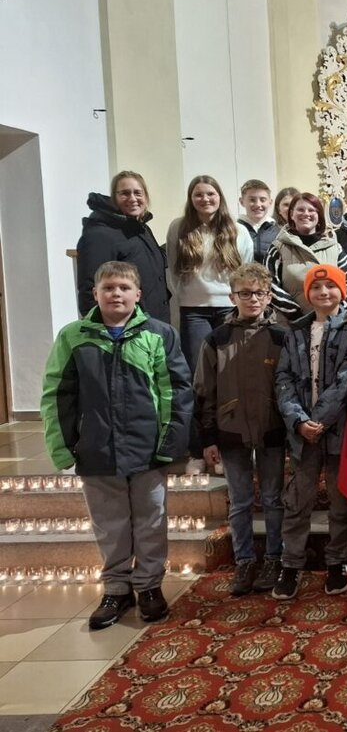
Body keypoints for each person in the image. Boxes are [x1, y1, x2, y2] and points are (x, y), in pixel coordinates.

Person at [42, 261, 192, 629]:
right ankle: (116, 588)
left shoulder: (159, 334)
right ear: (95, 294)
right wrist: (64, 447)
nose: (116, 294)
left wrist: (170, 444)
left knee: (151, 520)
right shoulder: (73, 337)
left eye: (124, 288)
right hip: (97, 448)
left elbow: (176, 391)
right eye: (108, 287)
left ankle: (150, 586)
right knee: (110, 524)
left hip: (147, 449)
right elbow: (57, 393)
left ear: (138, 295)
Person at [272, 264, 347, 600]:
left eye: (331, 287)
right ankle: (291, 563)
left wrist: (321, 420)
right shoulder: (295, 331)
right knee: (299, 499)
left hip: (338, 428)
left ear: (343, 291)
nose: (324, 293)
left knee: (341, 502)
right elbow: (283, 379)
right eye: (316, 288)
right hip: (302, 432)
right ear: (308, 293)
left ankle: (337, 560)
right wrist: (299, 420)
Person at [194, 263, 286, 596]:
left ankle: (275, 557)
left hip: (271, 427)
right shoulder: (217, 339)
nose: (251, 299)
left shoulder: (280, 336)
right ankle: (244, 559)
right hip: (230, 430)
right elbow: (204, 390)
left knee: (274, 499)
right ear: (233, 296)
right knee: (241, 500)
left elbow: (290, 386)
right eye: (244, 293)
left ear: (269, 296)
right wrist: (207, 437)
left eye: (258, 293)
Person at [167, 175, 254, 372]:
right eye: (198, 195)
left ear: (220, 197)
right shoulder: (178, 228)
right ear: (190, 199)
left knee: (229, 367)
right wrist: (184, 295)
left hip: (228, 308)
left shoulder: (238, 230)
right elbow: (173, 268)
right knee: (199, 368)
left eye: (210, 194)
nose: (205, 199)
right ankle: (201, 404)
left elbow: (245, 271)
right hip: (193, 309)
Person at [76, 170, 169, 323]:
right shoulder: (99, 235)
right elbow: (89, 290)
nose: (132, 199)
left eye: (138, 193)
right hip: (125, 330)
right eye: (125, 193)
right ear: (114, 198)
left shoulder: (142, 229)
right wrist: (106, 334)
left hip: (153, 328)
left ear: (145, 197)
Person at [267, 192, 347, 323]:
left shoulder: (336, 248)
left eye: (312, 210)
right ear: (292, 214)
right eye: (300, 209)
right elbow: (269, 284)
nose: (306, 213)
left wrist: (336, 313)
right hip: (291, 325)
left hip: (332, 324)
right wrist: (296, 314)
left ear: (319, 216)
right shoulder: (277, 247)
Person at [238, 179, 280, 264]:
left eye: (263, 200)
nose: (258, 204)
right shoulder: (234, 230)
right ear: (242, 202)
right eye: (252, 200)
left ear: (270, 202)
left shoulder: (279, 232)